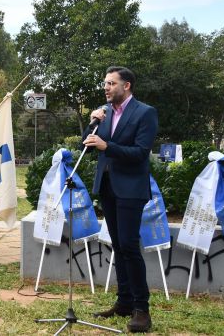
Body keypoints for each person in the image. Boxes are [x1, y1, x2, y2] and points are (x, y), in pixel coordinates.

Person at [83, 66, 158, 333]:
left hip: (130, 189)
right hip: (107, 187)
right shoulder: (103, 113)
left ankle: (142, 309)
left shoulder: (145, 113)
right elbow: (87, 144)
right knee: (118, 244)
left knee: (128, 245)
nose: (106, 87)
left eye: (111, 83)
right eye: (105, 83)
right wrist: (91, 122)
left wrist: (108, 146)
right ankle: (124, 302)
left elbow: (140, 152)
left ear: (126, 86)